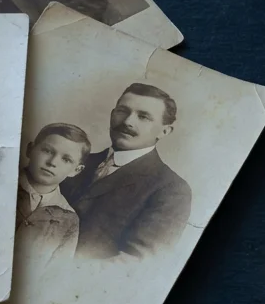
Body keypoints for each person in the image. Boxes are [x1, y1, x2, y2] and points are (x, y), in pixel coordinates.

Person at [60, 83, 193, 259]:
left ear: (164, 131)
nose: (128, 122)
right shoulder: (74, 160)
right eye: (122, 111)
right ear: (112, 114)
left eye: (143, 117)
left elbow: (137, 263)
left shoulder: (171, 189)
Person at [17, 123, 90, 258]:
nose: (52, 162)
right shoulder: (0, 185)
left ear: (76, 170)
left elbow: (58, 268)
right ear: (30, 149)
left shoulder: (69, 218)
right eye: (47, 151)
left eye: (66, 159)